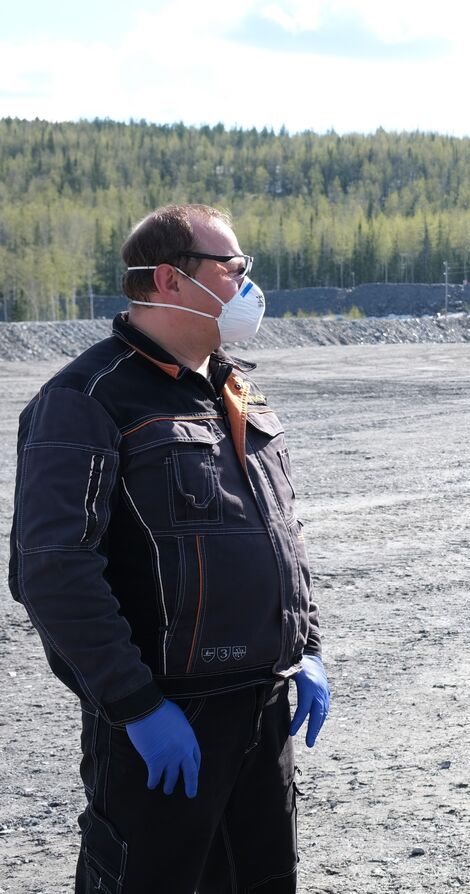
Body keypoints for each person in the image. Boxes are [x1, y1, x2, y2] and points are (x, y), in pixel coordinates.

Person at [7, 203, 329, 892]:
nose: (247, 285)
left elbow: (281, 532)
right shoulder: (87, 399)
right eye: (232, 268)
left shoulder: (234, 389)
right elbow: (53, 570)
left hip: (262, 713)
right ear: (169, 280)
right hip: (168, 723)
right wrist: (137, 706)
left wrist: (307, 647)